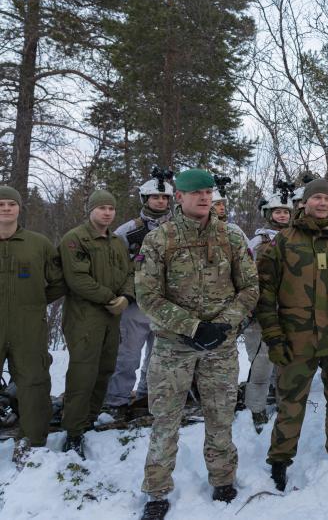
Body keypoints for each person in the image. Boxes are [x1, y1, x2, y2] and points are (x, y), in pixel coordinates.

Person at [135, 169, 259, 519]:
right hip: (174, 347)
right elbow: (147, 295)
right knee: (166, 420)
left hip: (219, 345)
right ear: (179, 197)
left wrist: (223, 323)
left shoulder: (231, 238)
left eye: (208, 192)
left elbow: (250, 288)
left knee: (220, 416)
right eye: (196, 193)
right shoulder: (160, 240)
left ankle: (223, 478)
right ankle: (157, 491)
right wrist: (192, 327)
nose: (204, 198)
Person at [256, 179, 328, 490]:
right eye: (316, 198)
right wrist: (274, 338)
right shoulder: (282, 242)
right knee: (290, 403)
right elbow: (265, 294)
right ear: (304, 203)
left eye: (327, 198)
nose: (322, 203)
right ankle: (280, 459)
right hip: (296, 341)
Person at [59, 189, 135, 459]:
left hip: (112, 316)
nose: (107, 212)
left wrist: (127, 296)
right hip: (85, 317)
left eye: (111, 208)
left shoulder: (116, 242)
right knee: (83, 373)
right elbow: (77, 279)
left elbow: (129, 272)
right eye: (101, 208)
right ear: (91, 210)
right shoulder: (75, 239)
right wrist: (110, 298)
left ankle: (90, 418)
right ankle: (73, 431)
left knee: (105, 368)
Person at [0, 186, 66, 460]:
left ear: (19, 208)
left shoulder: (38, 244)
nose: (6, 209)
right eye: (1, 204)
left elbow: (59, 281)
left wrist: (37, 301)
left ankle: (32, 441)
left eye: (11, 204)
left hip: (28, 323)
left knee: (33, 381)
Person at [104, 177, 174, 420]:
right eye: (156, 197)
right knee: (127, 356)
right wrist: (124, 295)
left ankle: (147, 397)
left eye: (165, 197)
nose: (160, 201)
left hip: (167, 304)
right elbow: (114, 267)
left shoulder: (178, 227)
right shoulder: (128, 230)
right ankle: (117, 401)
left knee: (159, 357)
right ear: (145, 198)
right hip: (135, 304)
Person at [243, 191, 292, 432]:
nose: (282, 215)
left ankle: (285, 407)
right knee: (261, 365)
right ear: (268, 214)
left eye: (285, 211)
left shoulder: (298, 238)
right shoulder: (257, 242)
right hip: (261, 312)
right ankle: (256, 409)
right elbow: (246, 276)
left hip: (290, 312)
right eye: (277, 211)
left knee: (286, 364)